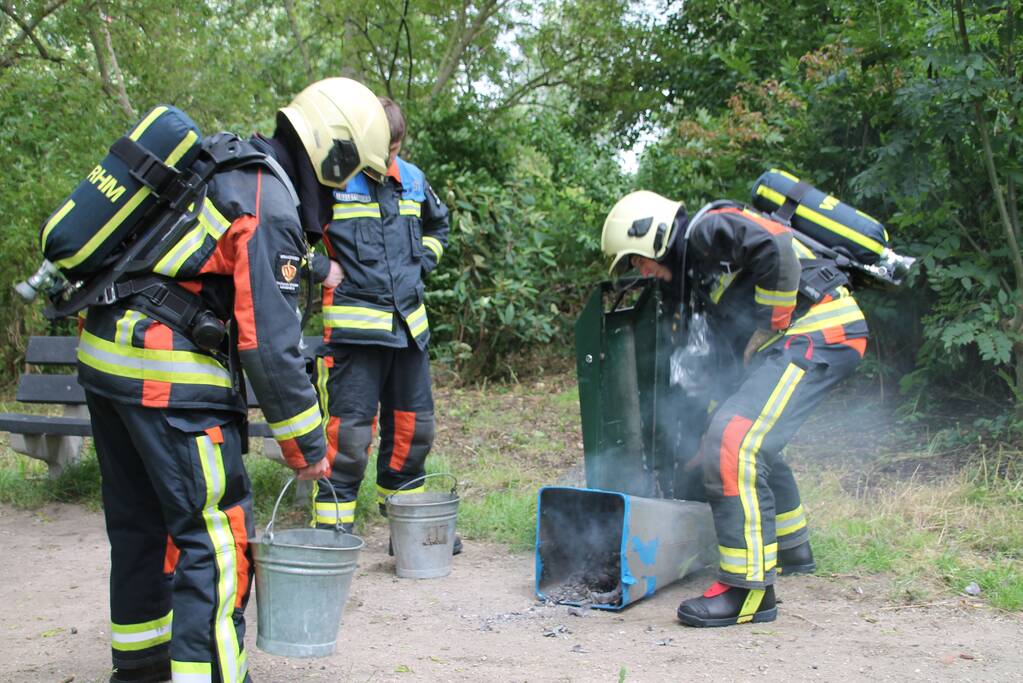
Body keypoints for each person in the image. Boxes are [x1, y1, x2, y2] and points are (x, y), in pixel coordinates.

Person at [76, 78, 391, 682]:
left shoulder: (226, 166)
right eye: (351, 174)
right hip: (168, 380)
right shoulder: (268, 199)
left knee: (141, 529)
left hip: (107, 362)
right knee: (218, 541)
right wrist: (307, 449)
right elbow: (269, 347)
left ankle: (141, 669)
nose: (344, 188)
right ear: (337, 151)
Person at [601, 191, 868, 627]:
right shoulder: (691, 277)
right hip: (807, 335)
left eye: (636, 260)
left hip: (818, 328)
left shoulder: (708, 228)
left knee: (735, 440)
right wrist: (698, 433)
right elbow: (709, 363)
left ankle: (748, 591)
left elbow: (777, 249)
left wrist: (769, 327)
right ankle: (791, 546)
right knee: (743, 435)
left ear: (652, 234)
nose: (641, 272)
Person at [310, 97, 455, 552]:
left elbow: (439, 226)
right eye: (383, 148)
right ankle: (333, 532)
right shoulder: (329, 178)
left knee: (414, 430)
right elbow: (285, 234)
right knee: (350, 436)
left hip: (408, 328)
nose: (390, 157)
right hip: (354, 334)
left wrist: (422, 263)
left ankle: (405, 531)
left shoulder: (412, 180)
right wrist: (318, 267)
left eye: (396, 148)